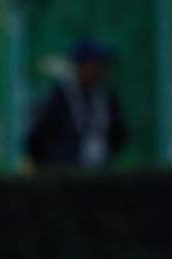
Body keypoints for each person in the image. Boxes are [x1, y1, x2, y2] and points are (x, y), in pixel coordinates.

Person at [24, 39, 128, 169]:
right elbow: (36, 136)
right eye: (94, 64)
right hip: (63, 173)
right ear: (81, 65)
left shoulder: (106, 97)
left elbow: (118, 134)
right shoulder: (59, 98)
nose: (100, 70)